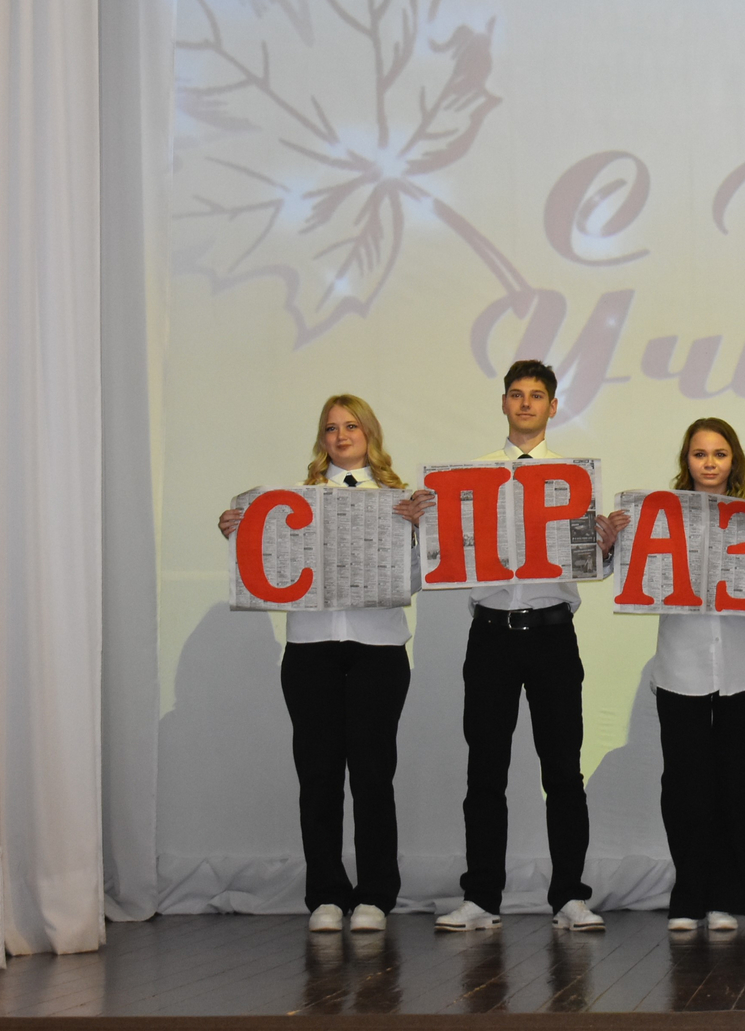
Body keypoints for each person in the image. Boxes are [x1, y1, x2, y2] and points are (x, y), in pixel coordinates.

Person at [216, 394, 431, 934]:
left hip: (379, 651)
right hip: (310, 650)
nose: (341, 436)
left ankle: (376, 896)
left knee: (373, 776)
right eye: (331, 428)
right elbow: (269, 568)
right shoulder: (292, 502)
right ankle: (326, 895)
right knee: (318, 777)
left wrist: (415, 533)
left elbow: (413, 583)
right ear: (322, 439)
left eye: (351, 425)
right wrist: (240, 532)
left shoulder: (400, 501)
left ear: (369, 433)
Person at [432, 360, 627, 934]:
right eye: (516, 394)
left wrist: (606, 545)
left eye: (536, 395)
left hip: (552, 633)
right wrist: (425, 523)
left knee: (563, 771)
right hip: (490, 634)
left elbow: (593, 566)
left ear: (552, 406)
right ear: (503, 403)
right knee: (484, 772)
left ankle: (569, 896)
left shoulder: (573, 480)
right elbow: (447, 553)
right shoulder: (471, 477)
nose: (525, 404)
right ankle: (481, 899)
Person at [637, 418, 745, 932]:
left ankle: (727, 898)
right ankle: (689, 894)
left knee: (735, 785)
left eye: (719, 453)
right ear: (685, 461)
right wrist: (615, 543)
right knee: (684, 786)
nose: (709, 463)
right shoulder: (659, 519)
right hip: (679, 667)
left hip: (742, 669)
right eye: (699, 454)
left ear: (734, 460)